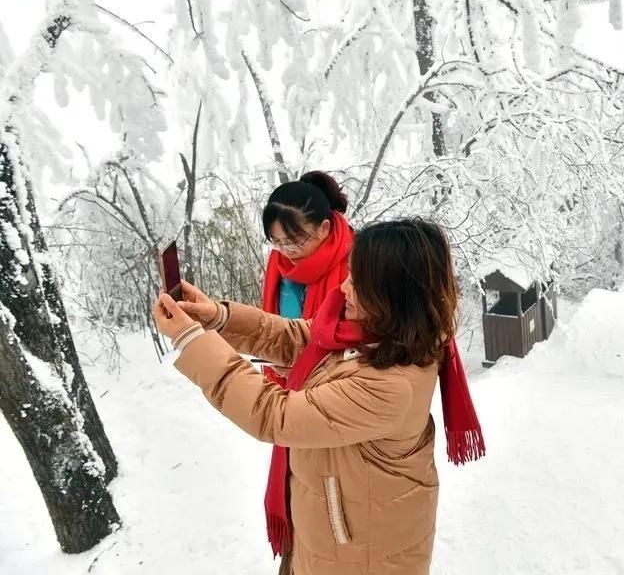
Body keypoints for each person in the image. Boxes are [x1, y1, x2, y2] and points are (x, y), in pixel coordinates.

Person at [153, 218, 485, 575]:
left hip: (360, 558)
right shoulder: (370, 334)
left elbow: (274, 414)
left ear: (393, 297)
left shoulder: (392, 385)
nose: (343, 288)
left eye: (357, 283)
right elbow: (295, 337)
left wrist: (191, 341)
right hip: (332, 536)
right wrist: (218, 318)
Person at [261, 170, 354, 388]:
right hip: (286, 381)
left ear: (324, 228)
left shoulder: (356, 263)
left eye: (295, 241)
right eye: (277, 241)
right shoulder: (278, 262)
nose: (286, 250)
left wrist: (308, 366)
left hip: (336, 388)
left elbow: (366, 343)